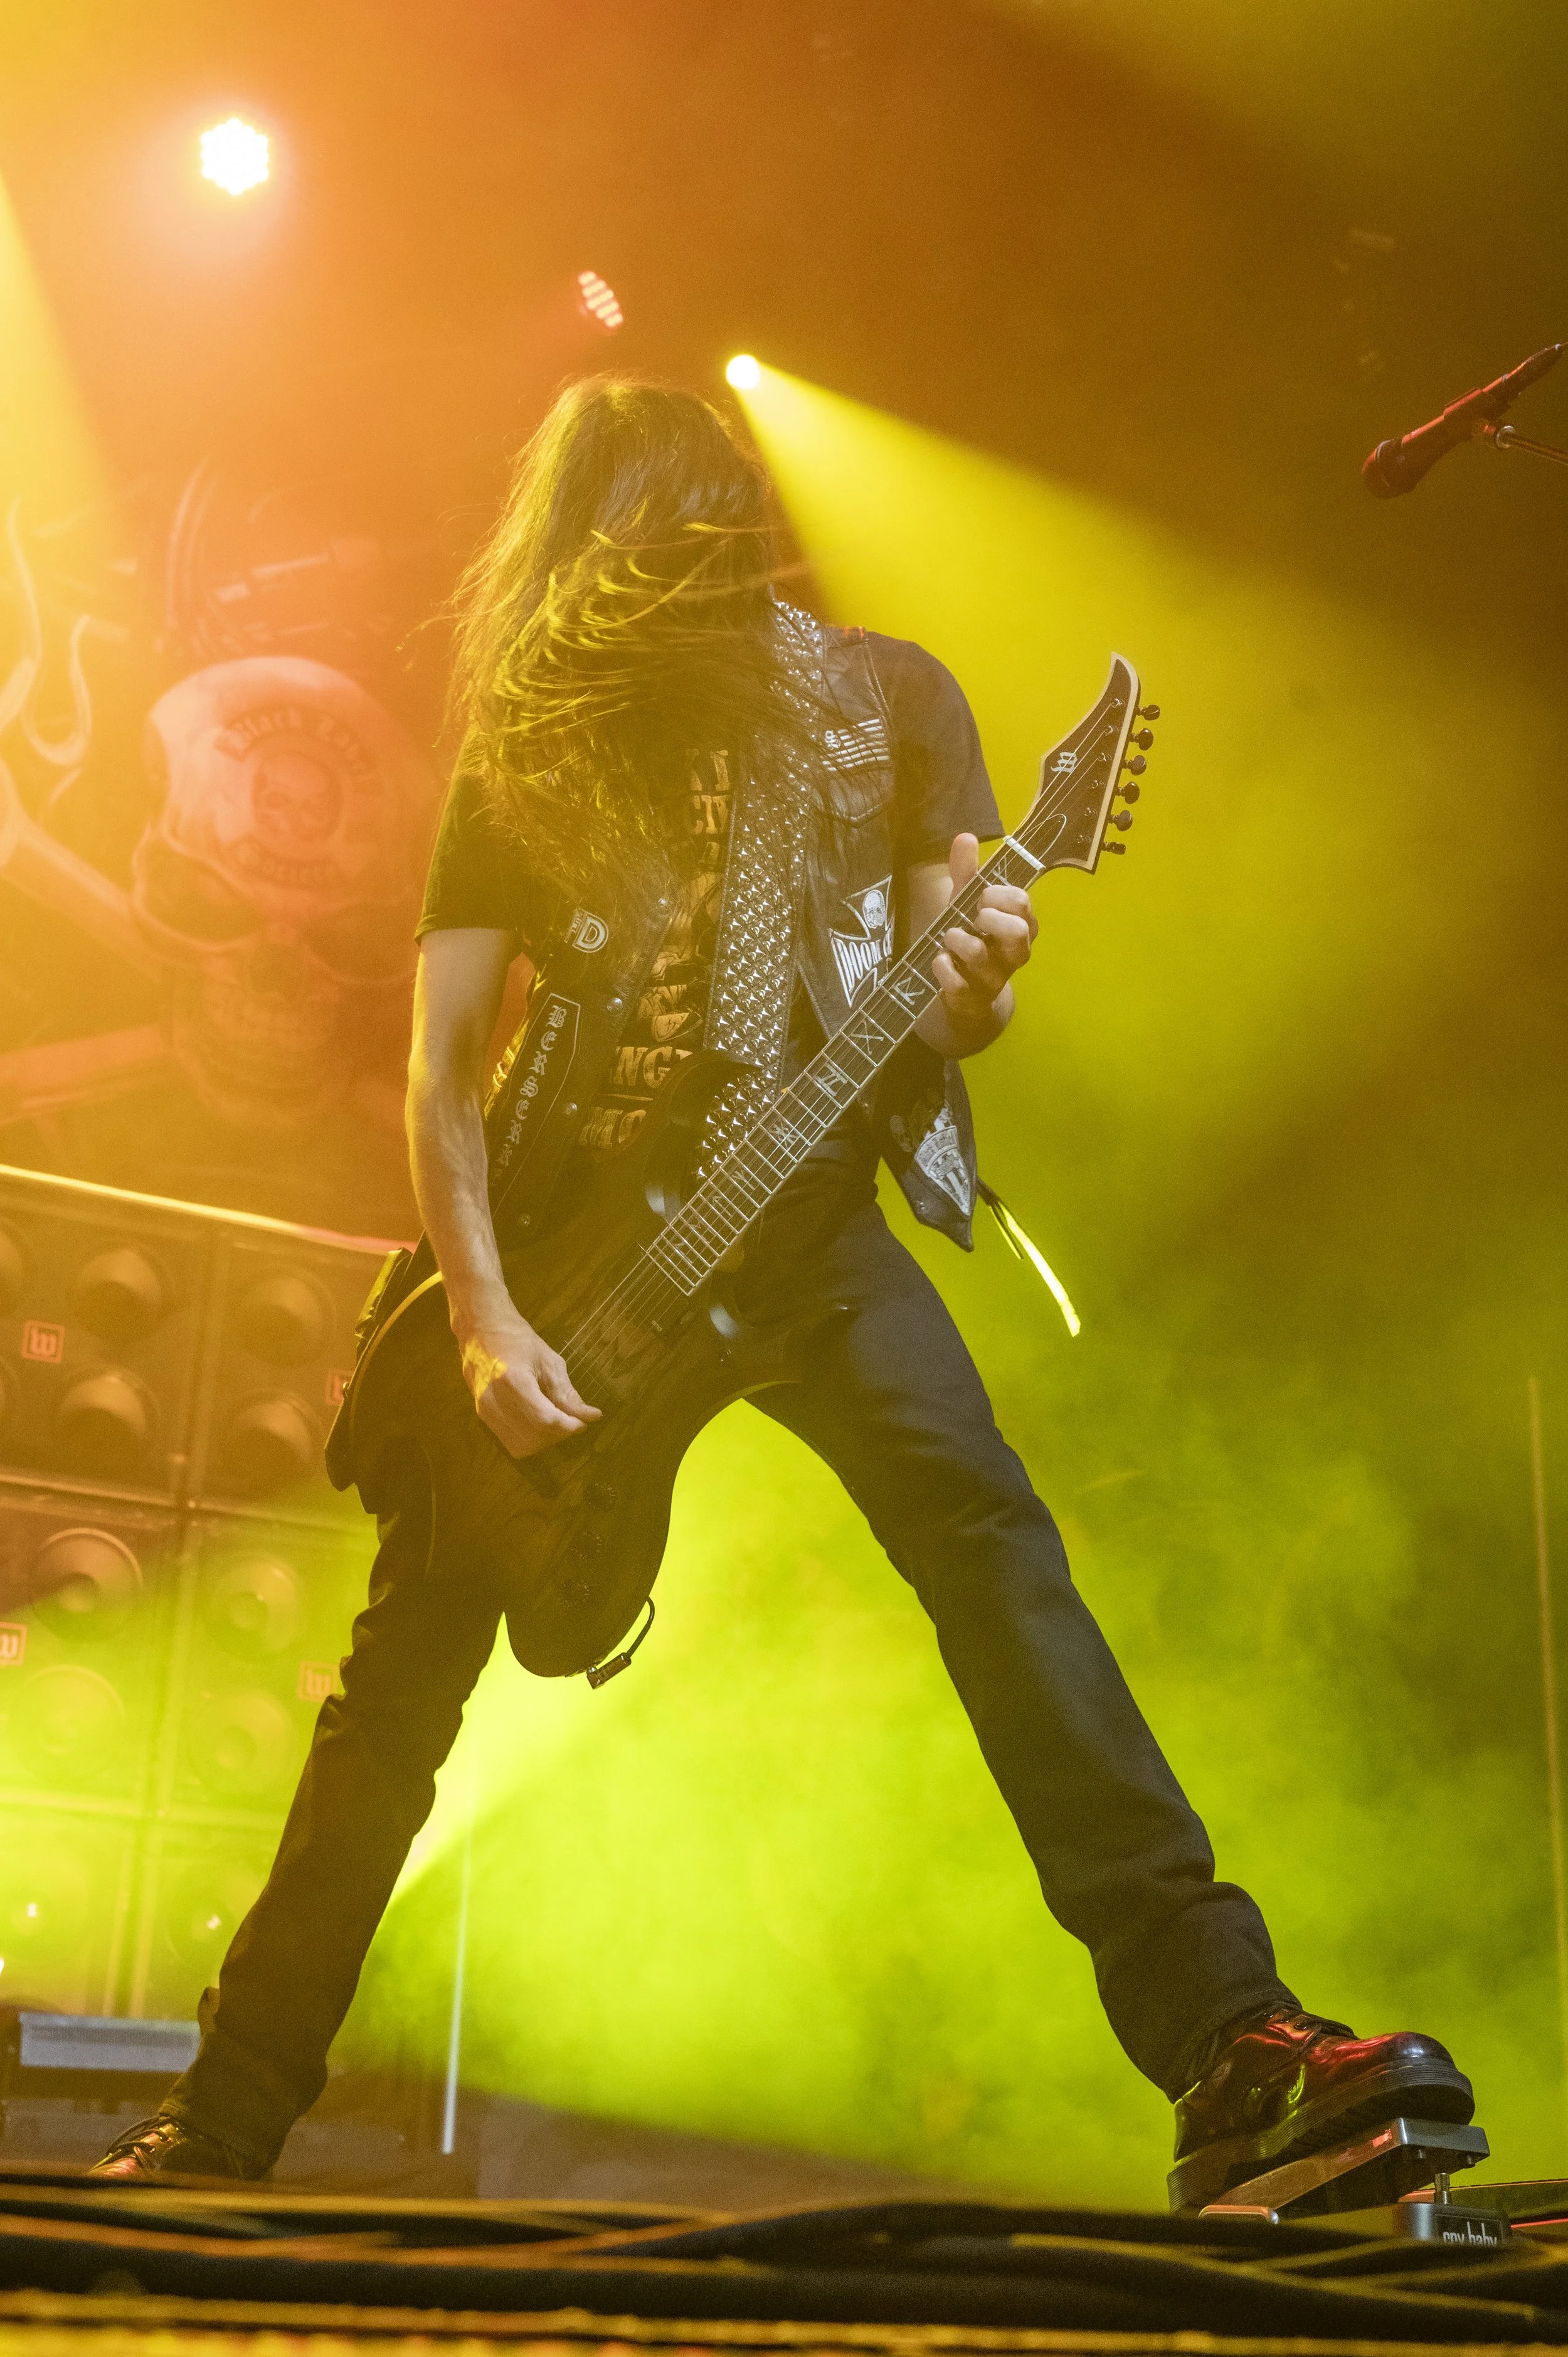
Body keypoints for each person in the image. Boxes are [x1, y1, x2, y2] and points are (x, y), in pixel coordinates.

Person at [95, 377, 1472, 2197]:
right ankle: (223, 2115)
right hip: (573, 1240)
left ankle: (1227, 2040)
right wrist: (491, 1320)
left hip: (814, 1226)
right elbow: (442, 1065)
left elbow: (957, 982)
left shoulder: (892, 697)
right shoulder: (538, 735)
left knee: (995, 1562)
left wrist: (980, 964)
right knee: (397, 1699)